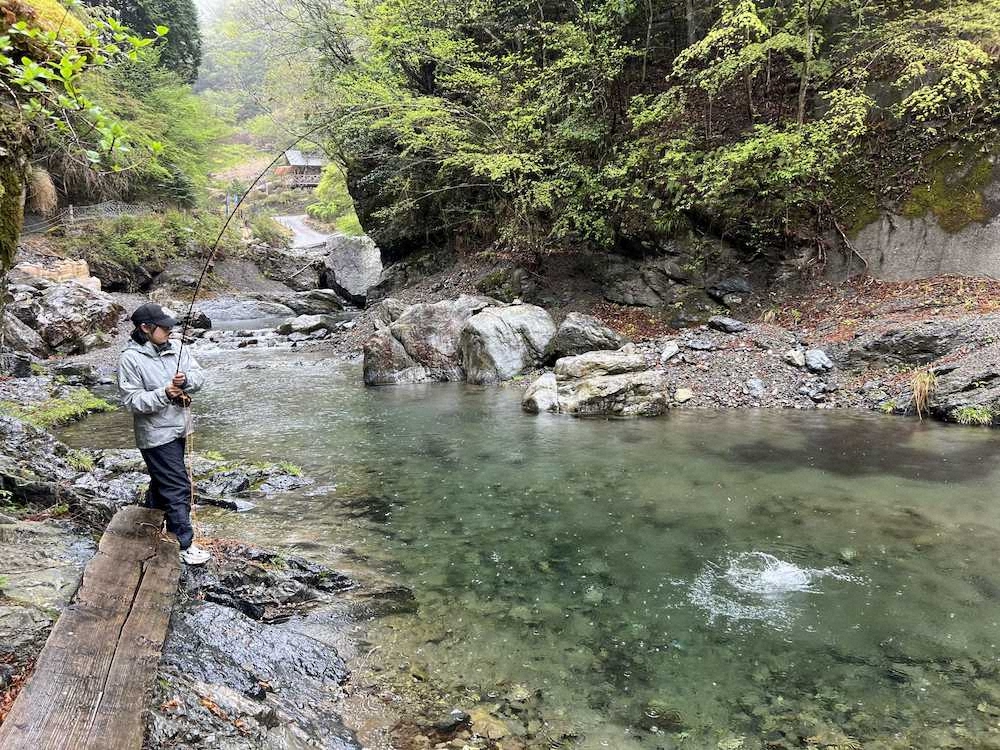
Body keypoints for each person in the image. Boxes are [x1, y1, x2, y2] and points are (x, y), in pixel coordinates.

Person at [118, 303, 211, 565]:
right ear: (145, 328)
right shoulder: (130, 359)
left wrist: (186, 382)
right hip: (155, 434)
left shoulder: (177, 348)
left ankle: (147, 527)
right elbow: (131, 401)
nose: (170, 330)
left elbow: (199, 376)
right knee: (177, 486)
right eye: (164, 326)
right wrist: (164, 394)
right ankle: (183, 545)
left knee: (163, 483)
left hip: (180, 428)